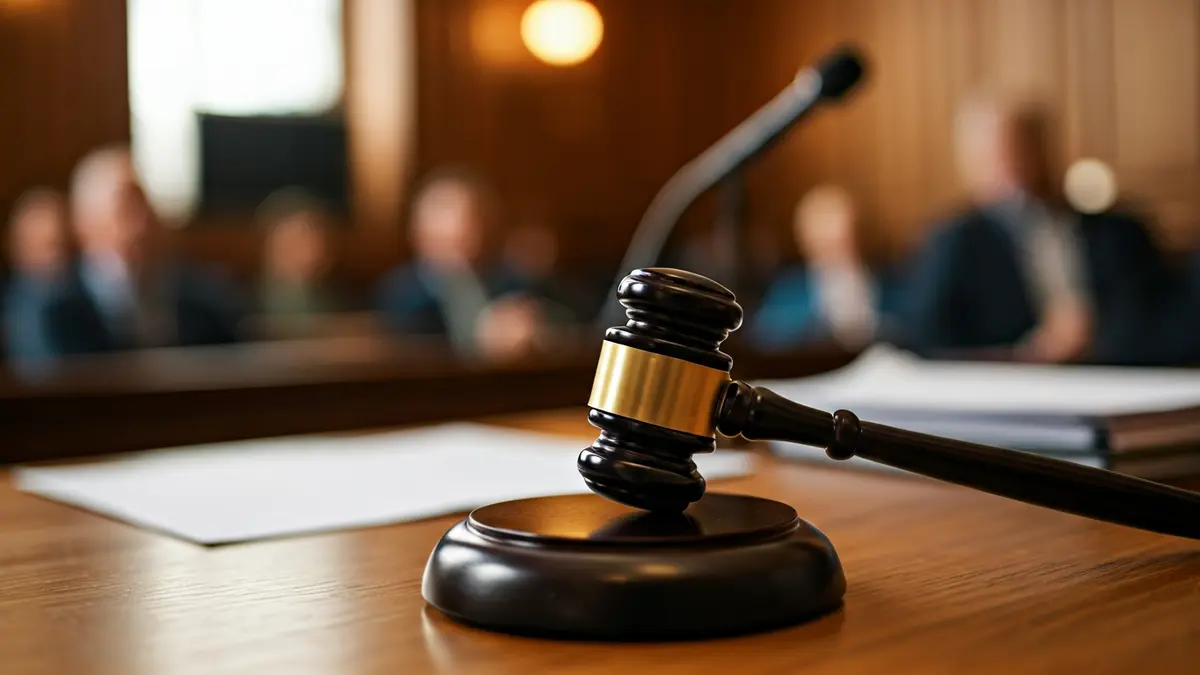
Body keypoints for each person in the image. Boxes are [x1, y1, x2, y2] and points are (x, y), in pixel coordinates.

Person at [900, 95, 1175, 365]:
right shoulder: (952, 242)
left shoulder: (1118, 232)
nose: (1009, 167)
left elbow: (1156, 317)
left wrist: (1095, 338)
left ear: (1045, 150)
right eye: (994, 156)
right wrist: (1029, 354)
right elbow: (926, 339)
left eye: (1018, 150)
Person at [40, 145, 245, 355]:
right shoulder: (54, 308)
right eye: (126, 206)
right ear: (84, 220)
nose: (142, 221)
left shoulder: (204, 300)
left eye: (145, 203)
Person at [375, 168, 548, 358]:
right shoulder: (403, 294)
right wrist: (481, 338)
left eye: (468, 234)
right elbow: (409, 349)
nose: (462, 250)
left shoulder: (508, 281)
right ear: (418, 235)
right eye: (446, 240)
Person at [750, 185, 900, 350]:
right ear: (806, 243)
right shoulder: (789, 292)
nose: (836, 253)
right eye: (826, 245)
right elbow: (766, 339)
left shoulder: (887, 283)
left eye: (844, 242)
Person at [3, 189, 71, 362]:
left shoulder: (82, 303)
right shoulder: (11, 311)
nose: (56, 257)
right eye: (48, 246)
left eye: (63, 245)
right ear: (18, 248)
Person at [257, 189, 345, 320]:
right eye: (296, 241)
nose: (314, 247)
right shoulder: (241, 310)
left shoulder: (339, 305)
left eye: (315, 235)